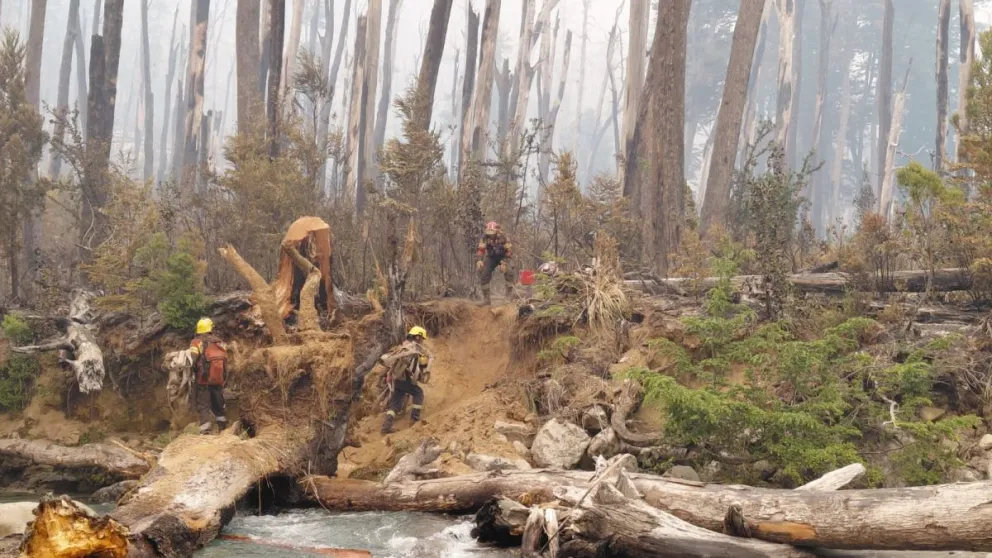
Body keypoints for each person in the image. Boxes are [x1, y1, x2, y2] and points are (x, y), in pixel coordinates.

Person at [380, 326, 433, 434]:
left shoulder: (403, 345)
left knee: (395, 403)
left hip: (397, 379)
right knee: (418, 393)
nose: (422, 341)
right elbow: (416, 365)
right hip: (405, 378)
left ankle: (386, 427)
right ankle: (414, 419)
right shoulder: (414, 348)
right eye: (421, 338)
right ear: (417, 337)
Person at [189, 317, 229, 435]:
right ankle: (223, 427)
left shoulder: (196, 342)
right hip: (218, 379)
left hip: (203, 380)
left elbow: (192, 360)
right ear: (210, 328)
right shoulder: (219, 342)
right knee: (218, 403)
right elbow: (225, 359)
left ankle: (205, 430)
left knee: (204, 405)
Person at [476, 221, 515, 305]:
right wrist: (479, 260)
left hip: (503, 256)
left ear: (496, 231)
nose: (490, 235)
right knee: (484, 274)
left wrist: (504, 262)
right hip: (491, 257)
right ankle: (486, 300)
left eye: (492, 233)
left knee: (509, 272)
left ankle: (508, 297)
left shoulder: (503, 237)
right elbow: (481, 250)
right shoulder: (484, 237)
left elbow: (509, 251)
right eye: (489, 233)